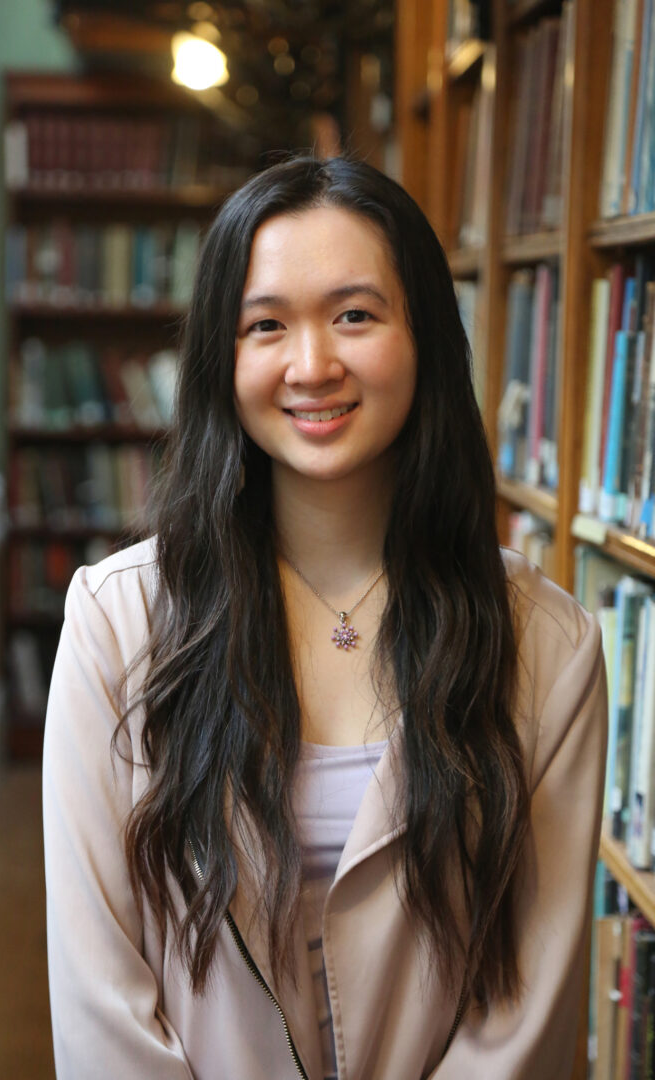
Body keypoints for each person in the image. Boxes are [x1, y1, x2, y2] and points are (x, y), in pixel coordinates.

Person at [42, 155, 608, 1080]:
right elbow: (100, 1004)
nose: (312, 366)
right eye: (266, 325)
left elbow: (527, 1015)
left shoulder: (547, 645)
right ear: (221, 360)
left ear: (422, 331)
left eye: (355, 315)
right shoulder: (116, 624)